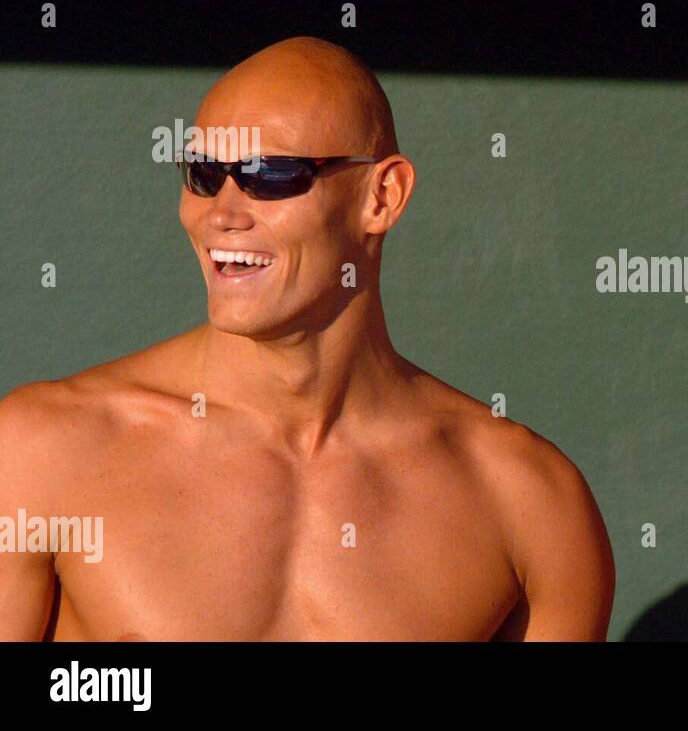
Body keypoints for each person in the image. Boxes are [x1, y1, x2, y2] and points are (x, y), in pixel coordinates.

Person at [0, 37, 615, 641]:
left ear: (383, 196)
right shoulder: (42, 451)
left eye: (271, 174)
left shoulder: (530, 504)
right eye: (204, 174)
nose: (223, 212)